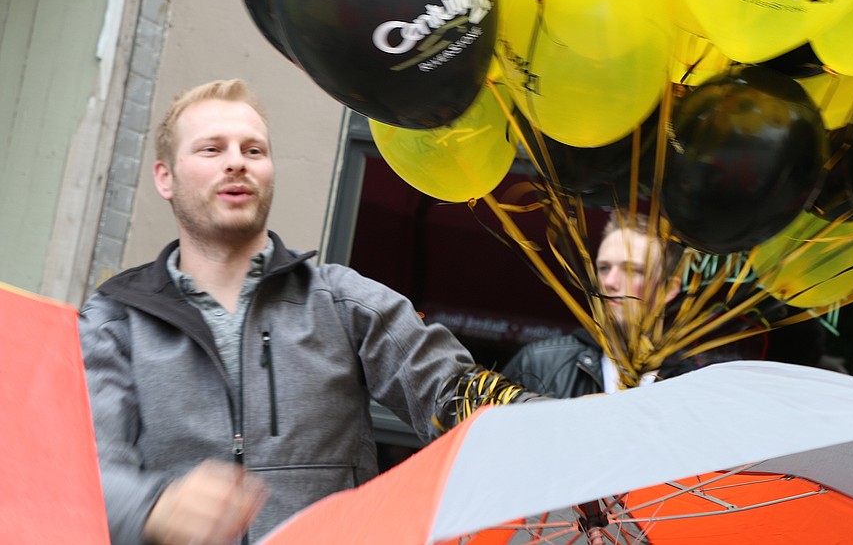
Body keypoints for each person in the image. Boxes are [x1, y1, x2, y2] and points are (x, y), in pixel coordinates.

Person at [79, 79, 531, 545]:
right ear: (165, 177)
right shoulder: (114, 321)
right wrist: (156, 506)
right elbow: (83, 476)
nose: (237, 161)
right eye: (212, 149)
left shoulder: (341, 301)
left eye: (253, 150)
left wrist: (546, 424)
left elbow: (452, 392)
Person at [502, 210, 693, 397]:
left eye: (632, 270)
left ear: (668, 289)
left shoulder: (691, 385)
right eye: (603, 268)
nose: (609, 282)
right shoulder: (540, 364)